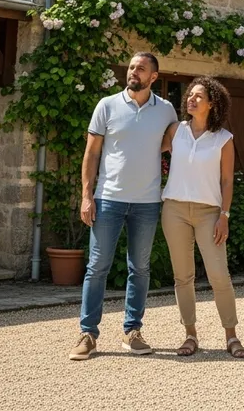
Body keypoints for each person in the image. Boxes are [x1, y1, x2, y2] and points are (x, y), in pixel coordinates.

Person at [69, 52, 177, 361]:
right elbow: (91, 154)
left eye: (141, 69)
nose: (133, 72)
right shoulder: (107, 105)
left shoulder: (166, 110)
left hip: (146, 202)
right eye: (131, 67)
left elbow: (174, 140)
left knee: (140, 268)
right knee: (97, 266)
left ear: (153, 77)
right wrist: (87, 195)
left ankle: (133, 331)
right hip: (108, 198)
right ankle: (88, 333)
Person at [160, 76, 244, 358]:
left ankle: (231, 336)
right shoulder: (176, 130)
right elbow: (148, 152)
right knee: (182, 277)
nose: (191, 99)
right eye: (190, 95)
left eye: (199, 96)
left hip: (210, 212)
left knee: (219, 276)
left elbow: (226, 181)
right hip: (173, 210)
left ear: (212, 104)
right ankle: (190, 335)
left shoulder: (223, 138)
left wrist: (225, 215)